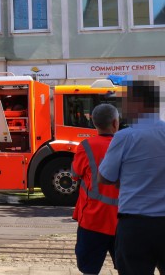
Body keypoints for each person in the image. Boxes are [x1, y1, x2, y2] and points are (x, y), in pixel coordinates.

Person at [99, 79, 165, 274]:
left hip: (135, 225)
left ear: (139, 103)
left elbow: (104, 177)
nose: (122, 107)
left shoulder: (125, 137)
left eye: (125, 101)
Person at [71, 103, 120, 275]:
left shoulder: (85, 146)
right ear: (115, 123)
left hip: (92, 220)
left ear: (94, 123)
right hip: (123, 221)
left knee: (89, 270)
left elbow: (75, 174)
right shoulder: (127, 145)